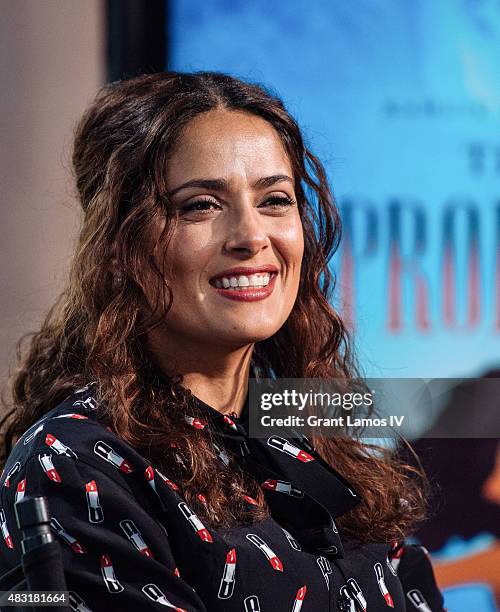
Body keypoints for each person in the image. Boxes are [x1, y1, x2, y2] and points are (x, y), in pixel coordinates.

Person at [0, 72, 444, 611]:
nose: (252, 236)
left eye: (275, 200)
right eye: (201, 205)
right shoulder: (73, 461)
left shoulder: (311, 435)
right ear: (120, 244)